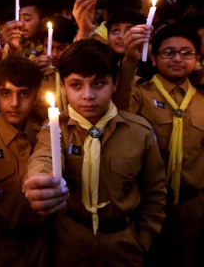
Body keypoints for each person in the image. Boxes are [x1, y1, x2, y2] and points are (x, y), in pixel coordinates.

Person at [26, 39, 167, 267]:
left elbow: (155, 191)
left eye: (98, 84)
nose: (88, 95)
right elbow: (44, 156)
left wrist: (144, 237)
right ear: (63, 86)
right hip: (70, 239)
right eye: (76, 85)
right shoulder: (55, 127)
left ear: (115, 83)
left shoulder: (139, 132)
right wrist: (39, 181)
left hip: (123, 241)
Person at [121, 23, 204, 267]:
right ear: (154, 59)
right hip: (145, 204)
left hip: (191, 206)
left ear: (198, 59)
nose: (178, 58)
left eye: (186, 53)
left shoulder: (201, 99)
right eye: (168, 52)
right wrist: (129, 62)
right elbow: (119, 110)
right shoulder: (141, 94)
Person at [0, 56, 52, 265]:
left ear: (36, 97)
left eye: (24, 94)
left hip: (40, 244)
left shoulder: (44, 137)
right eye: (6, 93)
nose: (14, 104)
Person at [31, 15, 77, 124]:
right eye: (49, 47)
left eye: (61, 48)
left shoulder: (79, 69)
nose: (54, 54)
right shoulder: (34, 67)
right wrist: (32, 73)